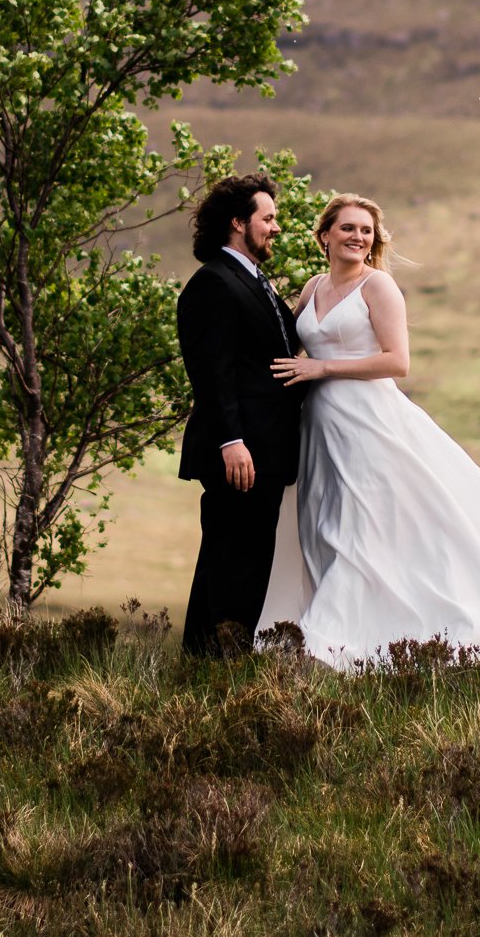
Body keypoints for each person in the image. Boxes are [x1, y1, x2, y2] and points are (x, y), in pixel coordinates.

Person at [257, 192, 480, 669]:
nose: (358, 237)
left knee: (359, 531)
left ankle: (332, 647)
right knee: (323, 527)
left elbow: (397, 361)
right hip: (320, 428)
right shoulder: (313, 287)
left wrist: (323, 369)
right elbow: (290, 343)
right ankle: (349, 638)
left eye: (366, 231)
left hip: (369, 423)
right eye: (347, 228)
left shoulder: (378, 287)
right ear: (325, 236)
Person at [174, 172, 308, 657]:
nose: (276, 228)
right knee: (232, 563)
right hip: (241, 453)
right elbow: (213, 373)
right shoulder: (213, 283)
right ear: (238, 223)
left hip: (264, 452)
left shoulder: (252, 280)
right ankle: (217, 665)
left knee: (240, 561)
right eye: (267, 218)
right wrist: (232, 441)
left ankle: (210, 664)